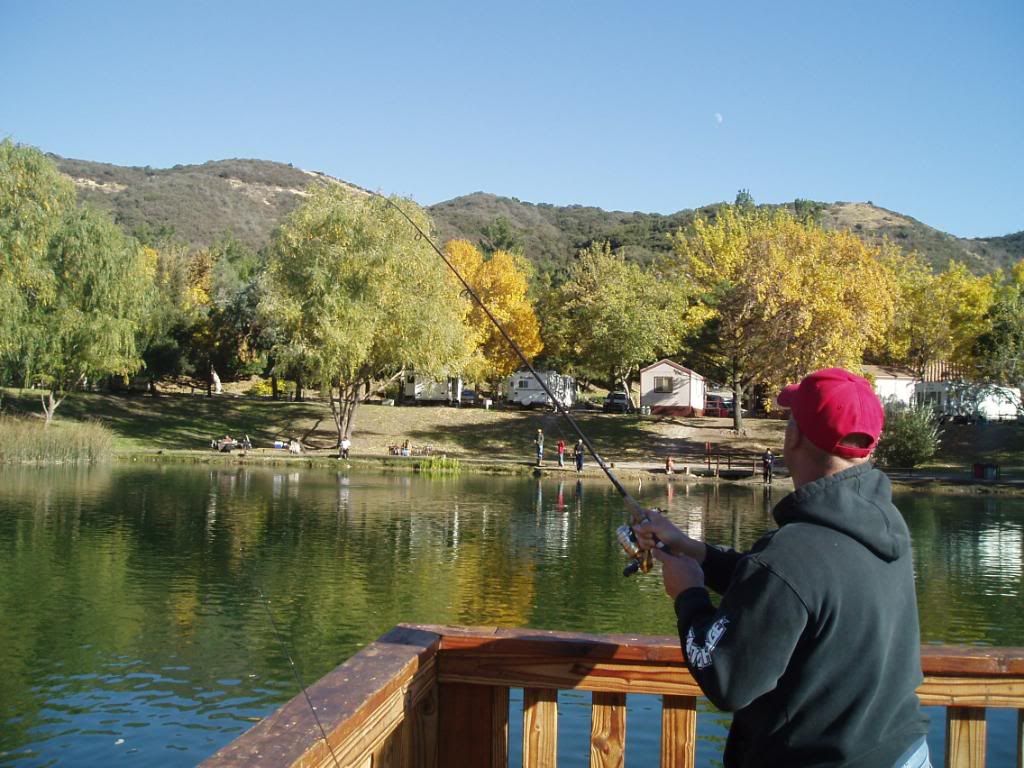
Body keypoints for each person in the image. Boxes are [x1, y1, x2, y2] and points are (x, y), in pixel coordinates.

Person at [635, 368, 929, 768]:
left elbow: (726, 678)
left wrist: (689, 595)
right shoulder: (885, 525)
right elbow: (789, 589)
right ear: (867, 449)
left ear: (793, 437)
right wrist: (693, 549)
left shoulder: (792, 553)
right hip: (903, 752)